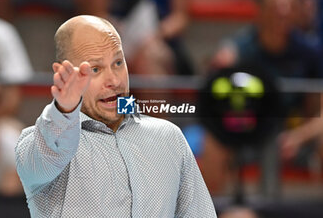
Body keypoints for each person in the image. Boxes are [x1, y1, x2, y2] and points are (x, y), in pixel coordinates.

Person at [15, 15, 217, 217]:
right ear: (64, 74)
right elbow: (49, 151)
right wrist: (65, 109)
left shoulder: (169, 137)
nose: (113, 80)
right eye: (95, 69)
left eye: (118, 63)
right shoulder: (38, 145)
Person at [204, 0, 323, 195]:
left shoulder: (311, 53)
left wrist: (299, 136)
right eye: (277, 4)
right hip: (247, 132)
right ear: (261, 9)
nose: (283, 11)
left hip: (293, 136)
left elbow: (320, 113)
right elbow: (215, 103)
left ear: (297, 11)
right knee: (213, 142)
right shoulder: (237, 50)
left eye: (289, 5)